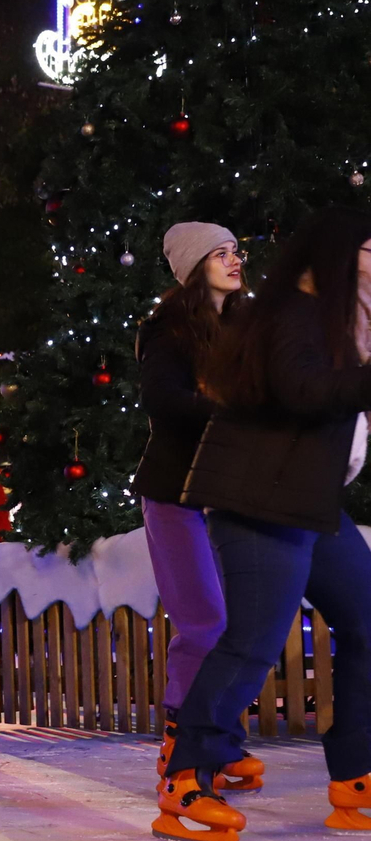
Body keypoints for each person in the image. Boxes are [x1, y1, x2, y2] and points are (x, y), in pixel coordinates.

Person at [159, 205, 371, 841]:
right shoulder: (288, 313)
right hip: (258, 501)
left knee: (368, 623)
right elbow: (303, 391)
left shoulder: (345, 321)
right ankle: (184, 780)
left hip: (311, 502)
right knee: (251, 643)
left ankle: (356, 778)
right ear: (337, 259)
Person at [133, 222, 261, 791]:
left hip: (225, 490)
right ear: (193, 266)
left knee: (236, 624)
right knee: (204, 621)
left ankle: (220, 740)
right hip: (175, 491)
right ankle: (182, 741)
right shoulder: (169, 330)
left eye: (236, 251)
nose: (234, 260)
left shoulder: (241, 324)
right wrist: (229, 410)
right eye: (220, 253)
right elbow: (163, 401)